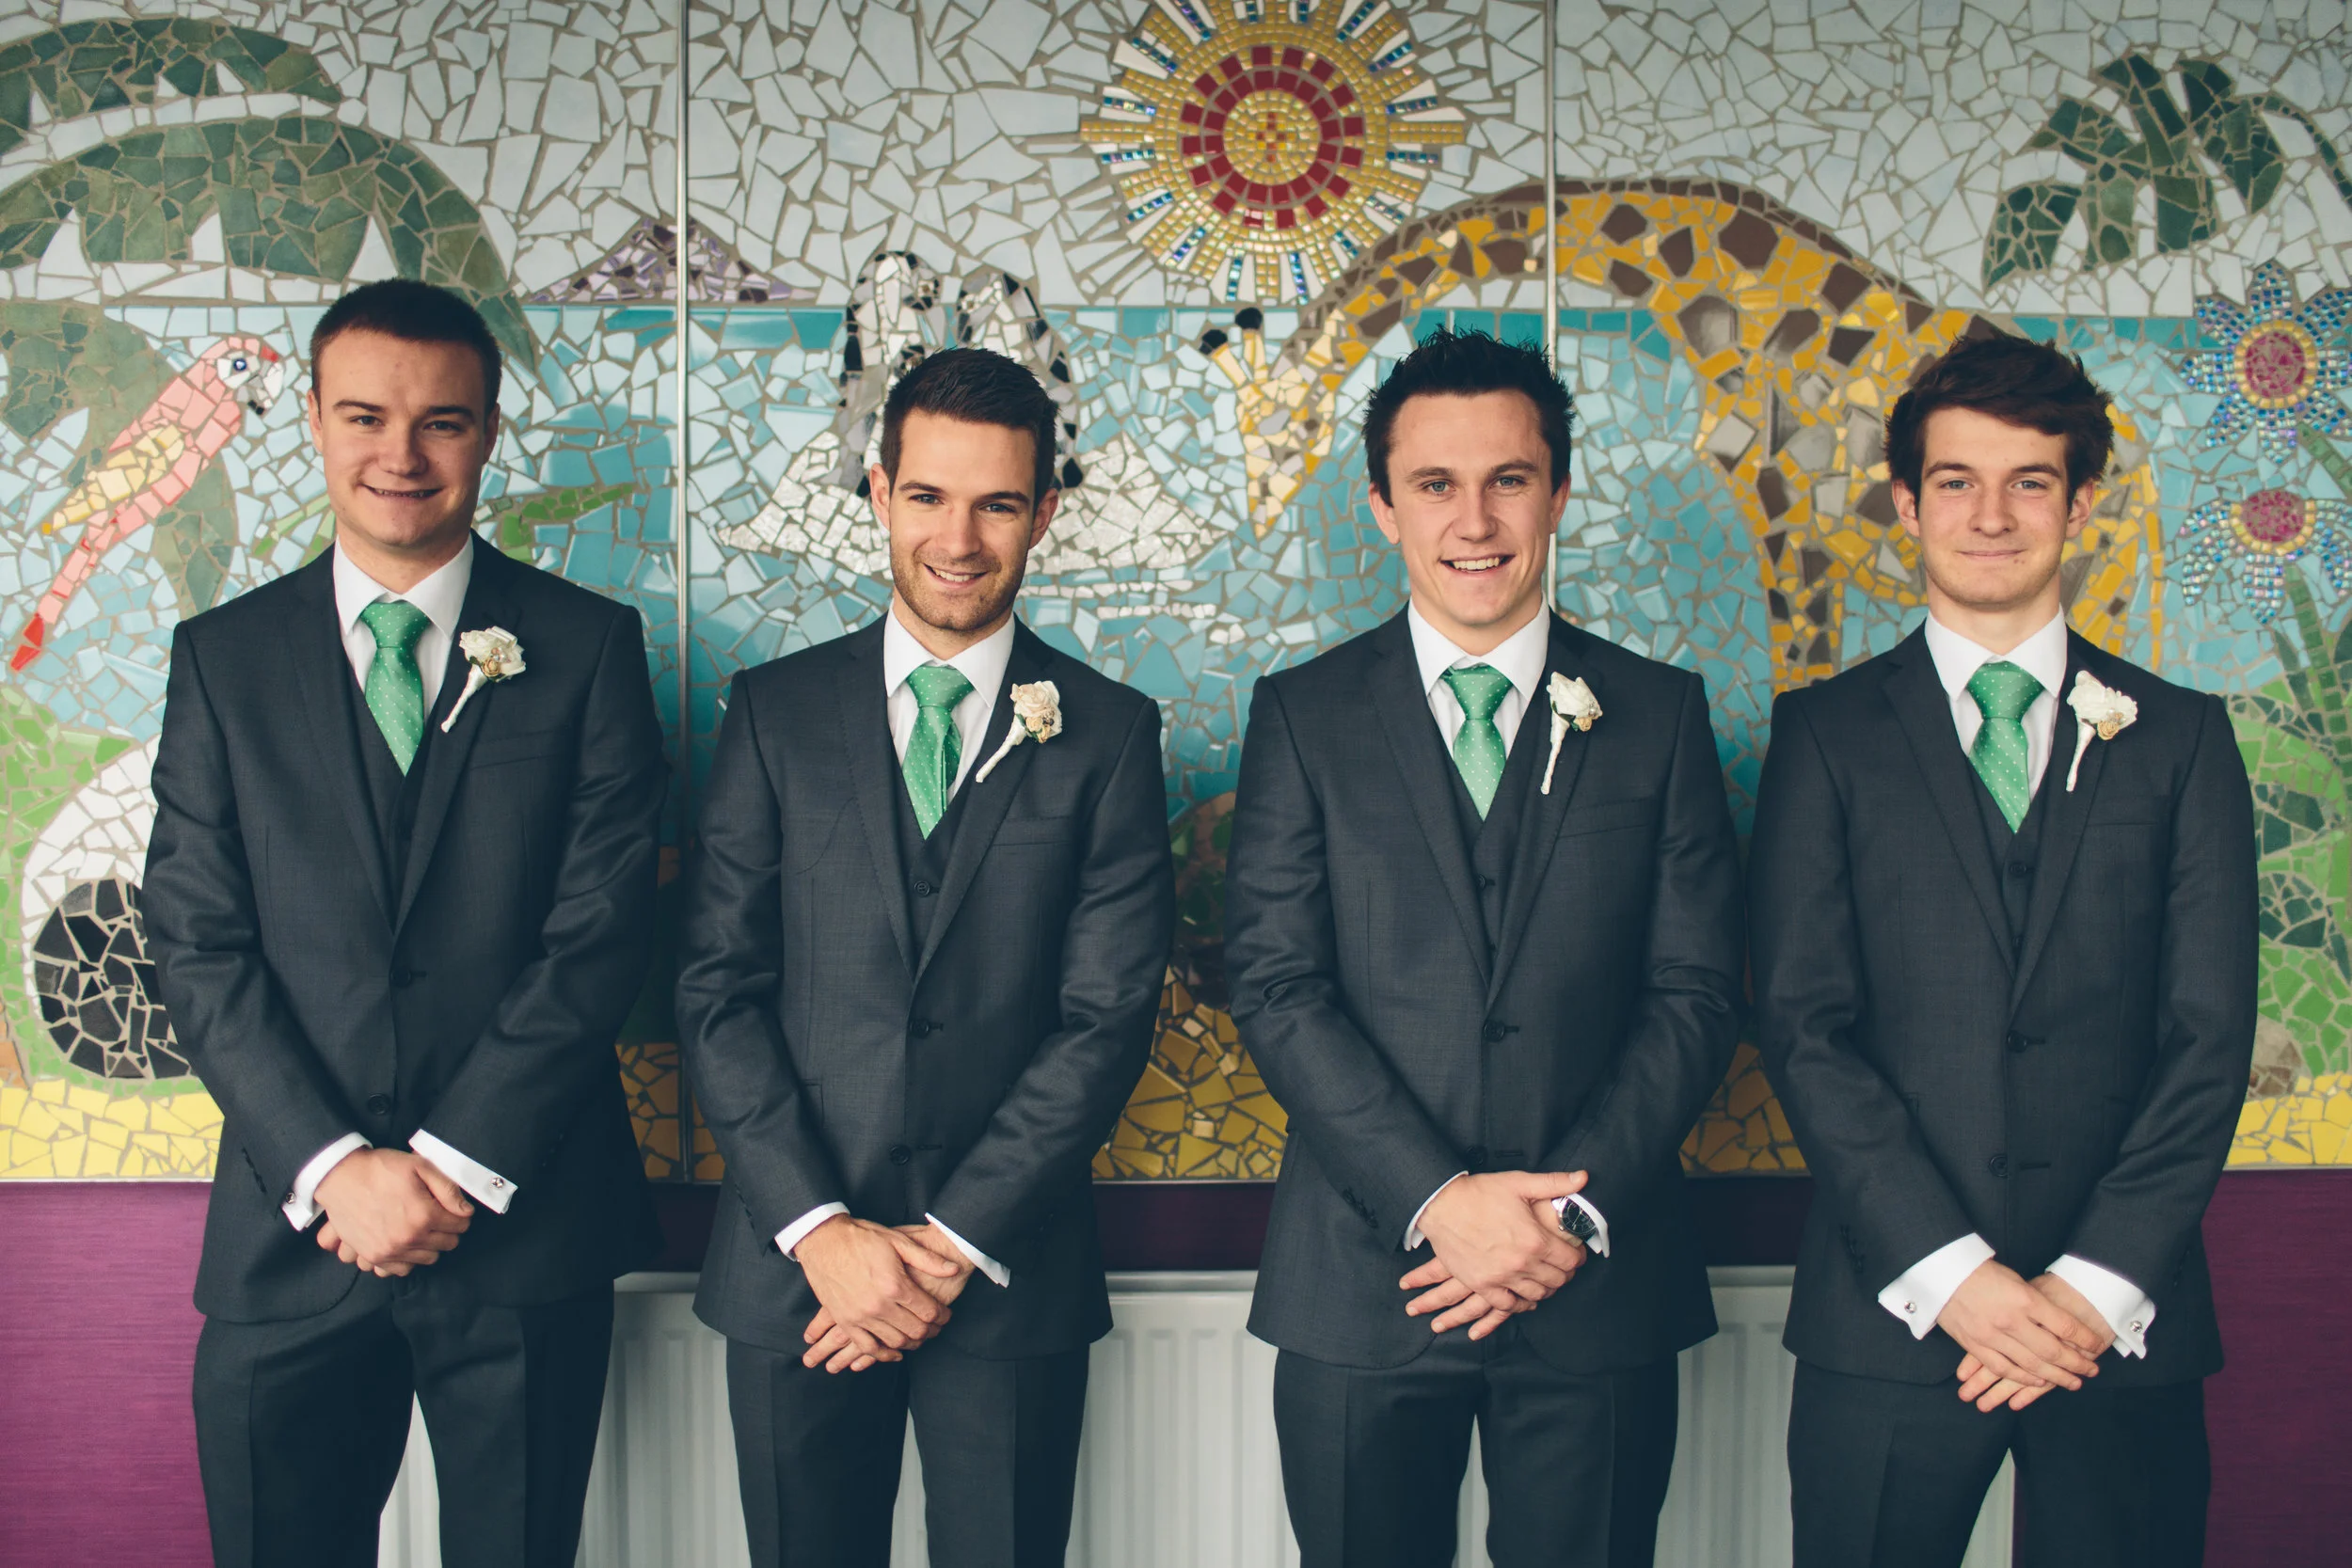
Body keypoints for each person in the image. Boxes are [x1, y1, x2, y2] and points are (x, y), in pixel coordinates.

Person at [142, 277, 668, 1568]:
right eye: (366, 415)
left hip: (524, 1219)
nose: (401, 454)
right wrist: (336, 1169)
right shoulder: (222, 658)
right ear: (313, 420)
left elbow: (598, 932)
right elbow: (198, 939)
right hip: (290, 1232)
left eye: (441, 421)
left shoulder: (589, 646)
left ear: (488, 432)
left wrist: (450, 1163)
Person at [1222, 328, 1745, 1568]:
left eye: (1509, 478)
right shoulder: (1301, 717)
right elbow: (1279, 983)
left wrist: (1564, 1216)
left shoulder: (1660, 716)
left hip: (1598, 1280)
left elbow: (1695, 989)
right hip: (1366, 1280)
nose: (1476, 518)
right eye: (1436, 484)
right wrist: (1440, 1201)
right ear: (1384, 506)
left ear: (1558, 493)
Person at [1749, 331, 2256, 1567]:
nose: (1991, 514)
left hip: (2119, 1324)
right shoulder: (1824, 737)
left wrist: (2090, 1287)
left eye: (2028, 481)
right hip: (1892, 1313)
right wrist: (1955, 1273)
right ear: (1909, 504)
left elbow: (2209, 1042)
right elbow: (1803, 1024)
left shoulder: (2183, 740)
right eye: (1958, 482)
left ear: (2080, 504)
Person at [677, 345, 1175, 1567]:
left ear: (1045, 513)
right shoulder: (772, 712)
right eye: (930, 496)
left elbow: (1103, 1017)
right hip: (797, 1275)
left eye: (999, 502)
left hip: (1008, 1273)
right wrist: (823, 1231)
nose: (961, 537)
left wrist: (947, 1246)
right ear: (879, 489)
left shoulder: (1109, 733)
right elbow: (716, 988)